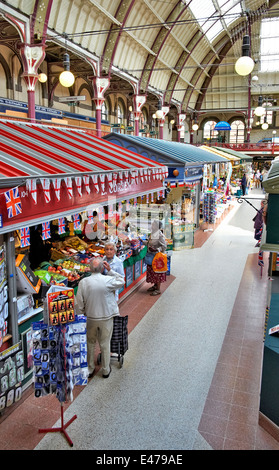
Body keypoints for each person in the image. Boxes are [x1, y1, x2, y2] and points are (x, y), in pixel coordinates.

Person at [75, 257, 125, 379]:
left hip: (90, 317)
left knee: (90, 343)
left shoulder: (83, 282)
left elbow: (79, 303)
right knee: (105, 343)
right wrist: (110, 271)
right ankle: (105, 370)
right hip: (106, 317)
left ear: (90, 269)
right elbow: (121, 281)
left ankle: (90, 368)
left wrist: (81, 315)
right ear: (103, 267)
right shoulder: (108, 280)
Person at [143, 220, 167, 296]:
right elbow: (149, 243)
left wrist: (157, 249)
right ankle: (155, 286)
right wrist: (141, 241)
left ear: (157, 227)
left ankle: (158, 289)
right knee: (153, 272)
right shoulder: (153, 234)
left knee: (157, 273)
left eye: (153, 225)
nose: (151, 226)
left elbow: (164, 246)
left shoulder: (159, 235)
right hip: (151, 256)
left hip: (157, 257)